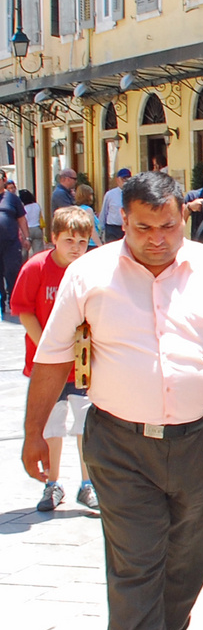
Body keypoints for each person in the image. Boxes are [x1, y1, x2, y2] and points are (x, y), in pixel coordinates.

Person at [21, 171, 203, 630]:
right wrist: (34, 431)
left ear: (183, 218)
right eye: (142, 228)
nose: (156, 238)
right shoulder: (89, 274)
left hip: (196, 441)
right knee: (136, 558)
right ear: (122, 223)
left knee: (190, 555)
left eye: (167, 225)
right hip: (118, 442)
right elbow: (54, 356)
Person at [11, 208, 97, 512]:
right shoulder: (36, 268)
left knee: (86, 424)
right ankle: (52, 482)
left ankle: (89, 484)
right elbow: (23, 310)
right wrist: (48, 347)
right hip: (47, 365)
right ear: (54, 239)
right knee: (52, 425)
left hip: (82, 364)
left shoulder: (89, 270)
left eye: (82, 241)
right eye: (69, 240)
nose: (75, 247)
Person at [0, 181, 23, 303]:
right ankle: (1, 301)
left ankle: (13, 300)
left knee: (12, 270)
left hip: (11, 243)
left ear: (3, 180)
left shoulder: (12, 198)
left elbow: (21, 218)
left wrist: (27, 237)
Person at [100, 168, 130, 242]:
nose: (125, 181)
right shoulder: (110, 194)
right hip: (112, 229)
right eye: (123, 179)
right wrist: (101, 229)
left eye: (128, 179)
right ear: (117, 180)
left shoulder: (133, 194)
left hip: (126, 228)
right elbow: (104, 212)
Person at [22, 189, 43, 255]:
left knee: (24, 252)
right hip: (37, 228)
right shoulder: (37, 205)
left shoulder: (23, 208)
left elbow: (23, 220)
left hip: (27, 230)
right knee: (38, 253)